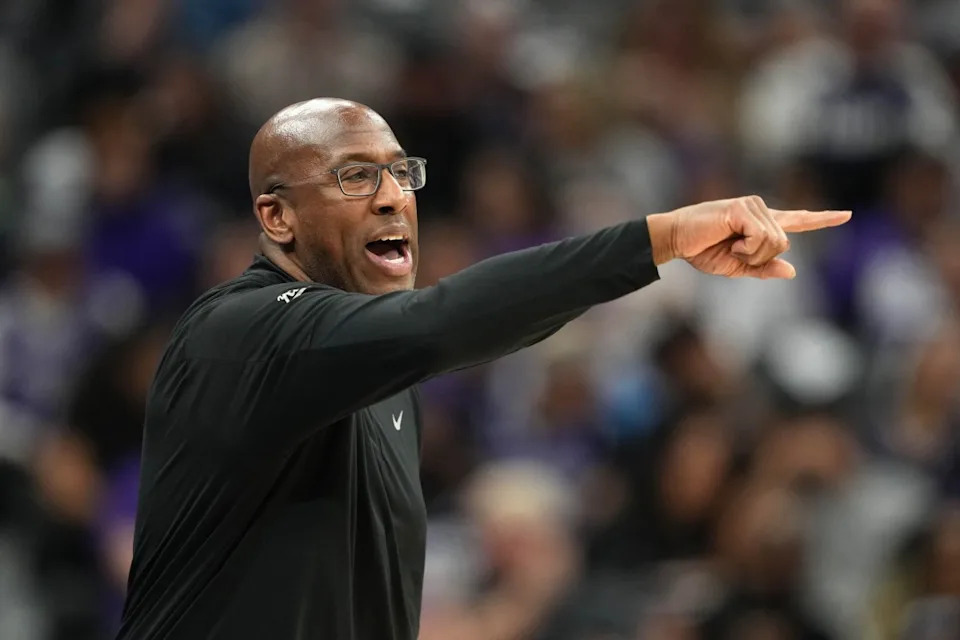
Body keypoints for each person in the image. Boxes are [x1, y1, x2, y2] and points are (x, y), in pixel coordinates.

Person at [117, 98, 850, 640]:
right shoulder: (240, 329)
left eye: (401, 173)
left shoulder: (383, 384)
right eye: (352, 177)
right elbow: (442, 322)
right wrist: (658, 240)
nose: (391, 196)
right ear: (277, 219)